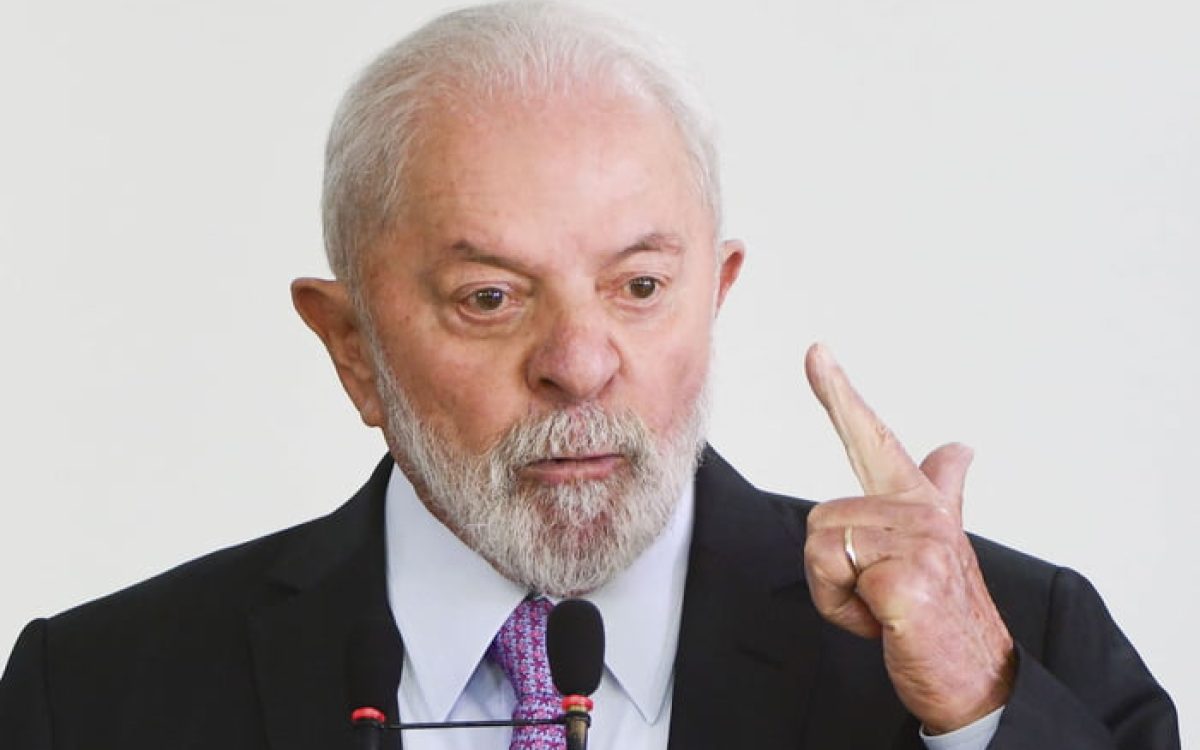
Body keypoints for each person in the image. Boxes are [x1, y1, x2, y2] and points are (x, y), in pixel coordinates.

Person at [0, 2, 1179, 749]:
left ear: (716, 293)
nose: (579, 365)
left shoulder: (1013, 652)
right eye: (490, 297)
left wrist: (979, 717)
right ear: (350, 344)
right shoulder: (93, 697)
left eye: (640, 285)